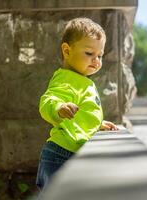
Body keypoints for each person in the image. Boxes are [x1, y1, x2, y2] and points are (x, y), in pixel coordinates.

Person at [36, 17, 118, 190]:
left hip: (72, 153)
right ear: (67, 51)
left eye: (100, 56)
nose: (96, 61)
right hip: (62, 155)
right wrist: (58, 108)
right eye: (89, 54)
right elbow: (48, 100)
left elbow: (80, 114)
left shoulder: (82, 81)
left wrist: (97, 124)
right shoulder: (66, 79)